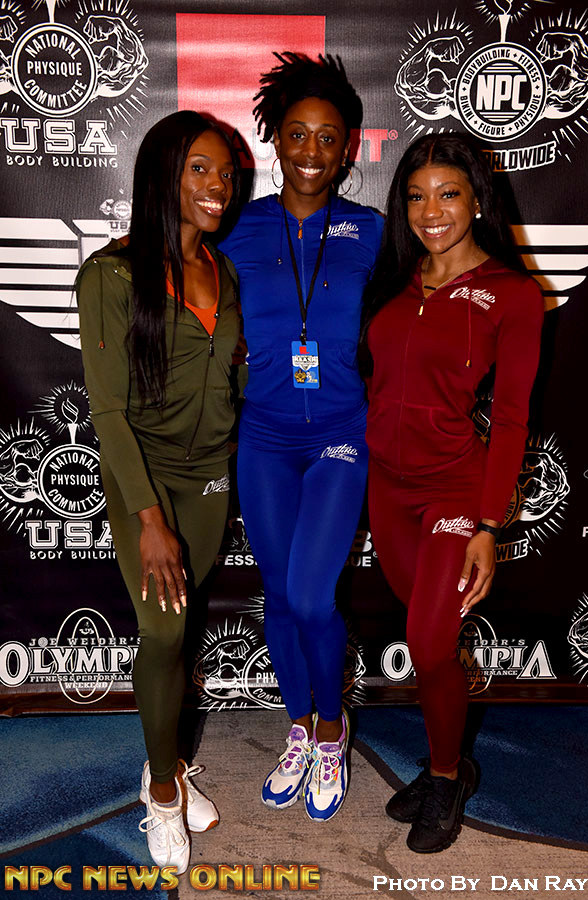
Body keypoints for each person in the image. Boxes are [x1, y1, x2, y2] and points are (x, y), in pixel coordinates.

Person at [361, 132, 544, 853]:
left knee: (431, 640)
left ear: (477, 201)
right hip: (386, 487)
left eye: (447, 194)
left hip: (453, 489)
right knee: (429, 644)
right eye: (415, 196)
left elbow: (513, 416)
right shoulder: (394, 279)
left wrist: (489, 525)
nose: (429, 211)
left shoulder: (512, 293)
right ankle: (449, 761)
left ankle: (446, 776)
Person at [76, 111, 241, 873]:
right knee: (166, 633)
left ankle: (162, 758)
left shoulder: (223, 269)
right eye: (199, 169)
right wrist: (148, 518)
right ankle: (165, 792)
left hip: (210, 477)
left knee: (184, 626)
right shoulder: (110, 275)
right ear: (162, 176)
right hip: (144, 479)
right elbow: (108, 410)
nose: (218, 186)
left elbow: (230, 372)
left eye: (226, 173)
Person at [220, 52, 383, 821]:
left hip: (341, 435)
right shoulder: (238, 228)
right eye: (296, 134)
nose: (311, 151)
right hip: (264, 436)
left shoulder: (373, 231)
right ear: (275, 141)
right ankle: (297, 727)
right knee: (281, 596)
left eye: (327, 137)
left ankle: (330, 729)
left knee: (315, 597)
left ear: (348, 148)